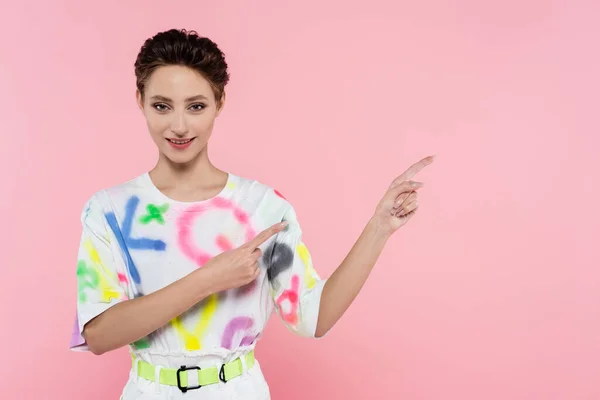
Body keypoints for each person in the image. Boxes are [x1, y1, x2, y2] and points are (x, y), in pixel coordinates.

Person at [68, 28, 435, 399]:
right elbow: (98, 335)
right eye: (162, 105)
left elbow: (314, 318)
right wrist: (208, 279)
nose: (179, 126)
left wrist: (379, 228)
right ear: (140, 100)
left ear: (219, 102)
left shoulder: (262, 207)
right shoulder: (109, 211)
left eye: (196, 106)